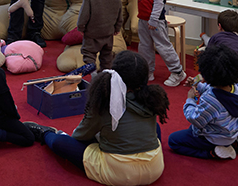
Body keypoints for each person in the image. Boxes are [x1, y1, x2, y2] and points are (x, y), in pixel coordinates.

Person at [25, 51, 169, 186]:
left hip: (120, 174)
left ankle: (45, 133)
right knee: (154, 127)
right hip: (155, 168)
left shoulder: (105, 103)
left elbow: (79, 136)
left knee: (60, 142)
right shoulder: (152, 100)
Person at [168, 44, 238, 160]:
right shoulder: (236, 88)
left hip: (214, 137)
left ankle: (213, 152)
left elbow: (195, 119)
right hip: (231, 129)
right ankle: (233, 140)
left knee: (173, 141)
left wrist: (190, 100)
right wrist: (198, 85)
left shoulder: (211, 100)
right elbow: (213, 89)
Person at [196, 9, 238, 120]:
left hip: (219, 74)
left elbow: (209, 56)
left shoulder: (216, 38)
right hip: (236, 74)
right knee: (231, 86)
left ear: (219, 26)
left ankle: (236, 101)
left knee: (213, 90)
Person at [136, 0, 186, 86]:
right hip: (144, 19)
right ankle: (148, 71)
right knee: (144, 46)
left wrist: (154, 19)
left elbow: (159, 2)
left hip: (154, 21)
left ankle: (178, 72)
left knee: (163, 46)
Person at [77, 0, 123, 71]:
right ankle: (106, 76)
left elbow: (84, 14)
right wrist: (117, 27)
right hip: (108, 33)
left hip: (92, 33)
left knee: (89, 54)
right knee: (107, 57)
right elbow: (120, 13)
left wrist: (81, 27)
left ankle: (92, 74)